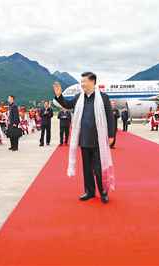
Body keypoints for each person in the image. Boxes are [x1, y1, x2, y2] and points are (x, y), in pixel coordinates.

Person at [53, 72, 114, 204]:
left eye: (84, 81)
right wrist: (59, 95)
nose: (82, 84)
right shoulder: (79, 97)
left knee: (99, 169)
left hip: (98, 140)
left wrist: (111, 135)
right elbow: (67, 105)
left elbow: (110, 117)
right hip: (84, 139)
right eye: (81, 82)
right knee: (87, 169)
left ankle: (103, 192)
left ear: (92, 82)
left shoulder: (103, 98)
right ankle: (89, 191)